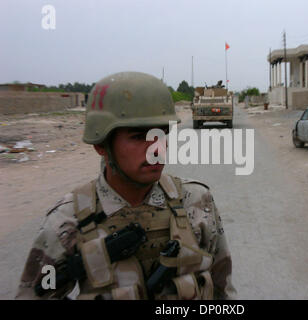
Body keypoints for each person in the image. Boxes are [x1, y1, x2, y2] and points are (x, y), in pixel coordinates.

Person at [15, 71, 236, 300]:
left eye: (161, 134)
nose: (157, 149)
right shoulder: (67, 222)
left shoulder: (197, 201)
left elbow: (223, 290)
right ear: (101, 145)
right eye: (139, 137)